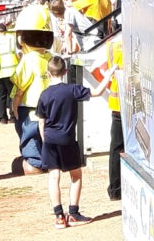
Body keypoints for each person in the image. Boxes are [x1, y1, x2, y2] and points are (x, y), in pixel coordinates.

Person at [36, 55, 110, 228]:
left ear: (48, 73)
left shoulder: (44, 95)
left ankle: (59, 217)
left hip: (50, 139)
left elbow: (41, 121)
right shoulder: (72, 90)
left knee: (54, 177)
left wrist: (45, 140)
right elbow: (98, 91)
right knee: (75, 176)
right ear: (66, 71)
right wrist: (110, 73)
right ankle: (74, 213)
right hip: (67, 140)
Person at [10, 4, 54, 174]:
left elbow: (20, 89)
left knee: (28, 154)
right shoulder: (50, 57)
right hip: (49, 109)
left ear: (21, 39)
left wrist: (14, 108)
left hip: (29, 110)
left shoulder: (28, 59)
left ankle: (35, 165)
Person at [102, 35, 124, 201]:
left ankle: (115, 189)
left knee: (116, 147)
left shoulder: (111, 45)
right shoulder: (142, 36)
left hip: (117, 103)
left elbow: (104, 69)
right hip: (137, 104)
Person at [0, 24, 18, 123]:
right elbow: (18, 53)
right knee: (12, 95)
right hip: (11, 71)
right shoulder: (12, 38)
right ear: (6, 30)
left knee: (0, 96)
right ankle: (12, 116)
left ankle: (2, 118)